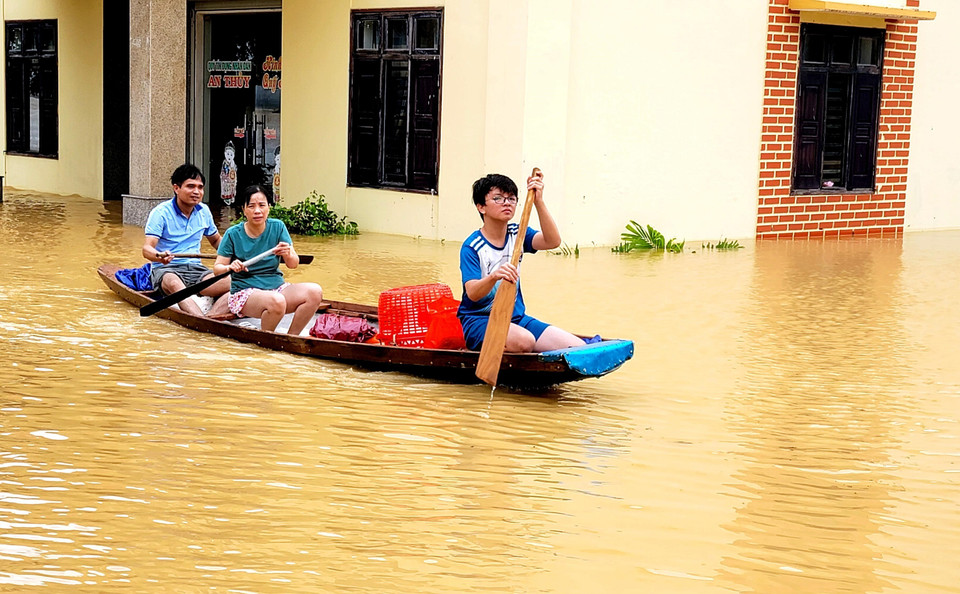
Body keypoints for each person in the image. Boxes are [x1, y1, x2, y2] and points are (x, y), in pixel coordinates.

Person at [457, 171, 585, 353]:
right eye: (498, 198)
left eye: (511, 199)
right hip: (479, 320)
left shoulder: (517, 234)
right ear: (481, 207)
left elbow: (552, 241)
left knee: (578, 348)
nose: (507, 203)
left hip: (515, 318)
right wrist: (493, 277)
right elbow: (472, 293)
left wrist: (538, 201)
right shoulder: (472, 246)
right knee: (525, 341)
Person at [214, 184, 324, 335]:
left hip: (276, 288)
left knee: (315, 292)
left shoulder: (278, 227)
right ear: (244, 209)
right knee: (277, 301)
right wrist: (230, 267)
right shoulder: (233, 234)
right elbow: (217, 269)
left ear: (269, 208)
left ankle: (291, 338)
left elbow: (293, 264)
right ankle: (266, 338)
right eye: (251, 206)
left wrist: (287, 253)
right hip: (245, 293)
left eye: (262, 205)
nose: (257, 211)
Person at [142, 163, 231, 317]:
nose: (196, 192)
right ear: (176, 188)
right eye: (190, 186)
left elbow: (216, 241)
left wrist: (236, 254)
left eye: (200, 187)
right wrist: (159, 256)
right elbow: (147, 249)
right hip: (167, 270)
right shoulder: (160, 213)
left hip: (197, 270)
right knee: (174, 284)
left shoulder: (204, 211)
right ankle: (199, 320)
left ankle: (213, 317)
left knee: (237, 282)